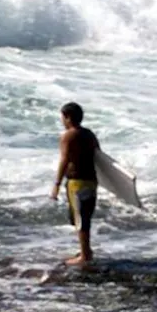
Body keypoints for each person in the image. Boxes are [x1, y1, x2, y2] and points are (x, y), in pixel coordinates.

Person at [49, 101, 100, 266]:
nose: (62, 121)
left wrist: (56, 184)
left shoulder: (68, 135)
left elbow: (64, 159)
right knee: (84, 216)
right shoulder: (89, 134)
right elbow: (99, 156)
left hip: (77, 182)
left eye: (62, 118)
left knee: (80, 219)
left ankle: (85, 256)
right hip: (91, 180)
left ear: (68, 117)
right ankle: (86, 251)